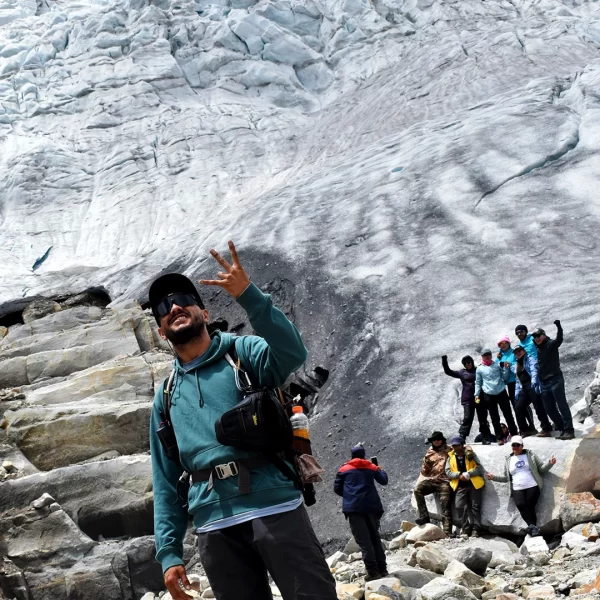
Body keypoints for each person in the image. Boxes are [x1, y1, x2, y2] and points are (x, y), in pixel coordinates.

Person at [148, 241, 337, 600]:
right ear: (160, 330)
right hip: (213, 525)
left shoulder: (242, 352)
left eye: (184, 298)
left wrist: (249, 295)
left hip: (276, 506)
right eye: (162, 306)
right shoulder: (166, 395)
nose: (174, 306)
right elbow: (165, 479)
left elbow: (292, 352)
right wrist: (169, 553)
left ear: (203, 312)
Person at [334, 444, 388, 581]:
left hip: (354, 509)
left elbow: (337, 488)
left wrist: (350, 495)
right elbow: (384, 480)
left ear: (351, 455)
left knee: (364, 541)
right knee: (375, 537)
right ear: (364, 455)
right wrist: (380, 469)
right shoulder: (371, 467)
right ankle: (383, 569)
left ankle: (373, 572)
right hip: (372, 507)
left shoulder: (344, 469)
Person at [486, 435, 557, 537]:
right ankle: (533, 527)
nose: (515, 447)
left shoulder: (530, 455)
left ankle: (533, 529)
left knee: (530, 506)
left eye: (517, 445)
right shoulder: (508, 460)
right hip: (517, 488)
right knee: (520, 505)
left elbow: (541, 469)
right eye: (513, 445)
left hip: (532, 485)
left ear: (522, 446)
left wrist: (550, 463)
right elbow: (506, 477)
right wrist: (493, 477)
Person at [533, 320, 574, 440]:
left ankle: (569, 430)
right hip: (544, 382)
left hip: (555, 379)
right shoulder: (537, 348)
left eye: (538, 335)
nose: (536, 338)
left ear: (544, 335)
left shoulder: (550, 344)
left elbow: (559, 340)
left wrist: (559, 327)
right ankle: (562, 428)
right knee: (549, 408)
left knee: (562, 405)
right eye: (535, 337)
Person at [474, 349, 518, 444]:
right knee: (494, 417)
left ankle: (514, 434)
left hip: (501, 391)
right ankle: (499, 437)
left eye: (489, 354)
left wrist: (506, 369)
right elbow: (478, 383)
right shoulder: (479, 368)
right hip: (488, 394)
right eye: (485, 355)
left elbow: (505, 378)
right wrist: (477, 395)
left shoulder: (497, 364)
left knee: (508, 414)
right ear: (482, 356)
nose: (487, 356)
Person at [445, 436, 485, 537]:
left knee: (475, 507)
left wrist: (469, 474)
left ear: (462, 445)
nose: (455, 447)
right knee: (459, 506)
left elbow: (480, 468)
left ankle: (476, 529)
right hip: (460, 486)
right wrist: (459, 475)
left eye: (457, 445)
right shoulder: (451, 457)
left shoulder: (470, 455)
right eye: (453, 445)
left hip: (473, 484)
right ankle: (466, 528)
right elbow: (448, 471)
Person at [509, 345, 552, 438]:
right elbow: (517, 379)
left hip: (533, 386)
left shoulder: (530, 359)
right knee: (518, 407)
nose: (518, 353)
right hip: (523, 389)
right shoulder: (516, 365)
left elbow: (534, 369)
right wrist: (516, 392)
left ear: (524, 351)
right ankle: (525, 430)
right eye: (516, 352)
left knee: (538, 407)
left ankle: (546, 428)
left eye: (519, 351)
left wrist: (534, 380)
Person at [413, 431, 452, 535]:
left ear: (442, 440)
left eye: (438, 439)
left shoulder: (450, 450)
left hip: (445, 481)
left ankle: (447, 531)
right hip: (433, 480)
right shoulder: (430, 452)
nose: (436, 442)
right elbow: (425, 472)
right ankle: (424, 517)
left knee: (445, 502)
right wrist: (426, 462)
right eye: (434, 440)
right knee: (418, 490)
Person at [442, 355, 488, 442]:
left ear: (472, 362)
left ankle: (485, 437)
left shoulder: (478, 370)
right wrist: (444, 361)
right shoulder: (462, 372)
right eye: (465, 363)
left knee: (482, 418)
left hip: (479, 398)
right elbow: (448, 371)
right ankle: (462, 437)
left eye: (469, 362)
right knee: (467, 418)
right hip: (468, 399)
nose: (468, 364)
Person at [497, 336, 535, 432]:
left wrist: (509, 365)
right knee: (516, 406)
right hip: (509, 384)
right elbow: (497, 367)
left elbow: (518, 362)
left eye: (504, 343)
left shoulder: (514, 352)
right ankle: (524, 428)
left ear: (508, 343)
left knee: (524, 405)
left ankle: (531, 426)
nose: (503, 345)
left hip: (518, 381)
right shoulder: (499, 356)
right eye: (500, 344)